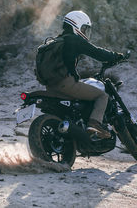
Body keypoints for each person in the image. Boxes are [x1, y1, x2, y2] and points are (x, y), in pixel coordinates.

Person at [46, 10, 125, 139]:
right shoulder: (74, 39)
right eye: (84, 28)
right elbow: (97, 52)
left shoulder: (57, 41)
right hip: (66, 84)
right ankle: (94, 123)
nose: (84, 31)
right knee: (102, 96)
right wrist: (116, 56)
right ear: (76, 24)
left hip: (50, 86)